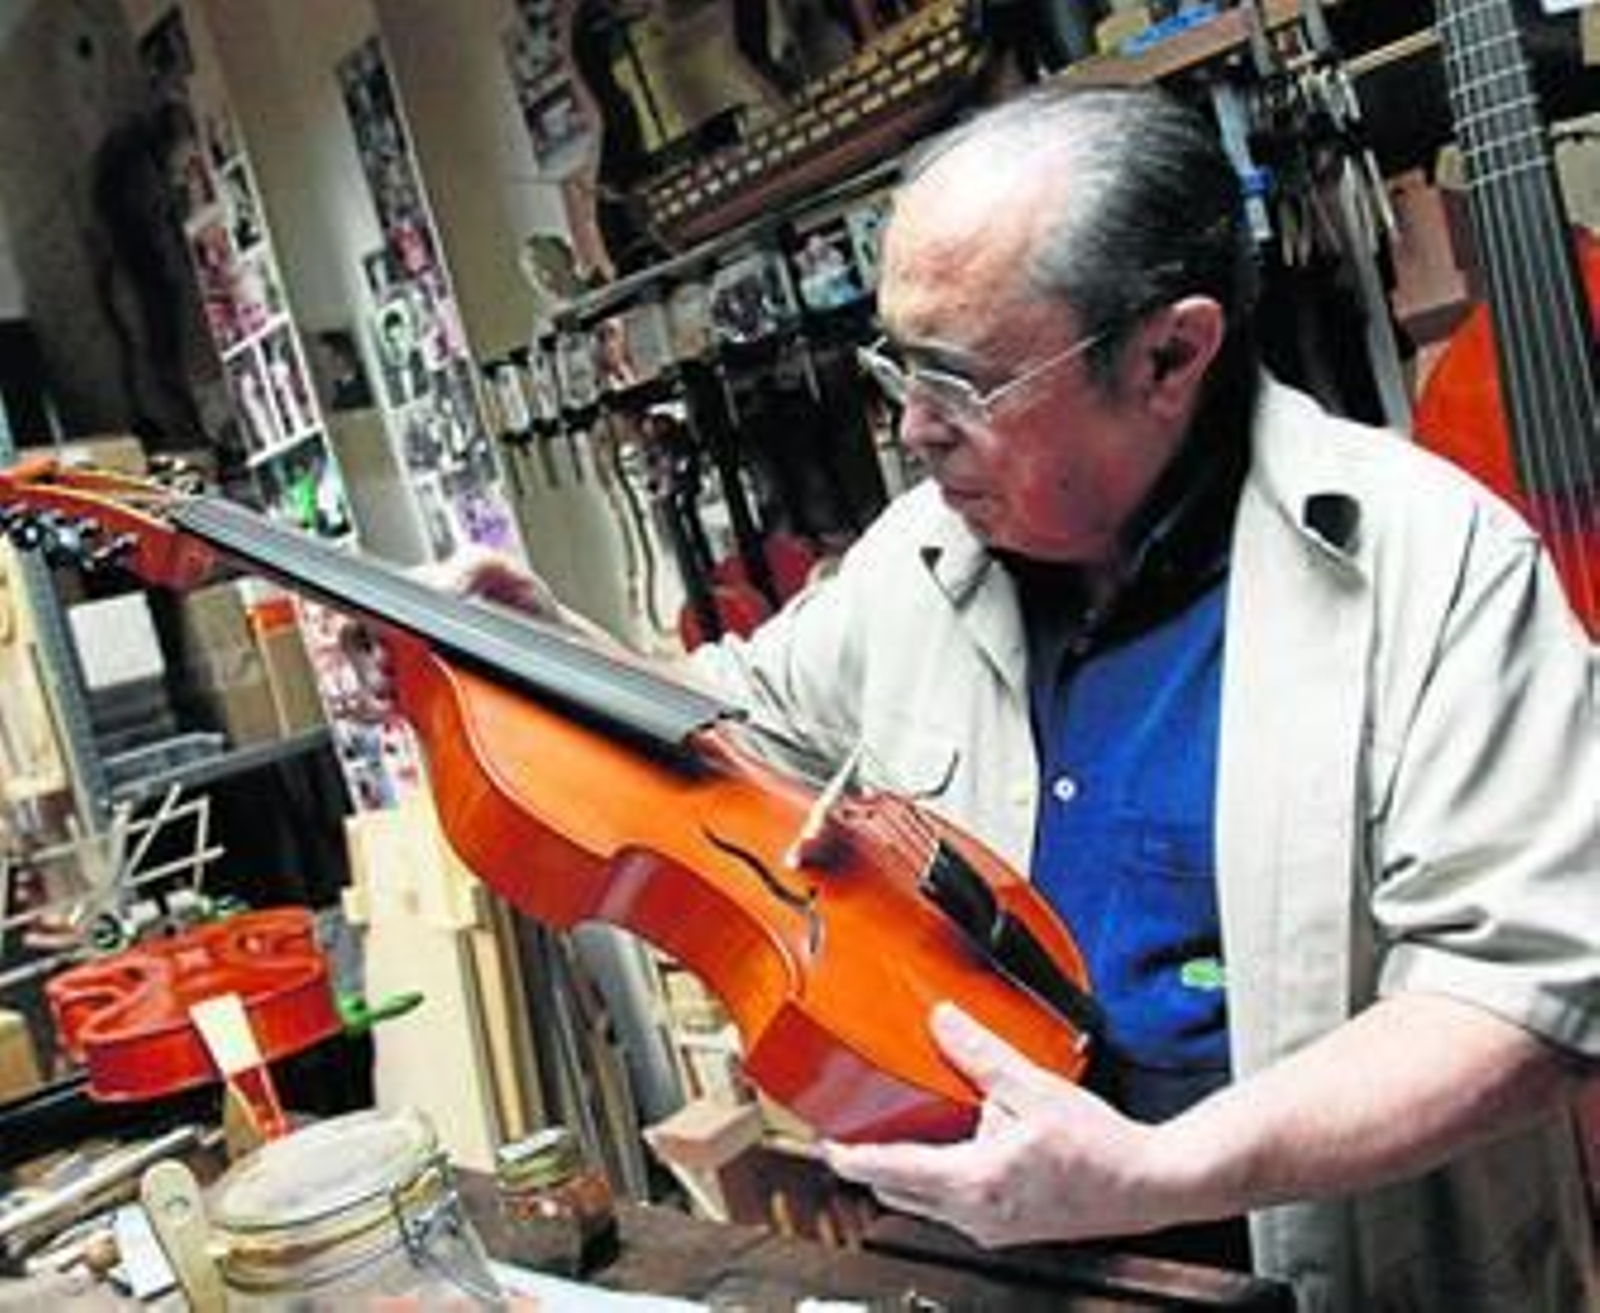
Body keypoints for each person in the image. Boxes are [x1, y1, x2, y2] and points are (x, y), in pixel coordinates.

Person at [389, 86, 1599, 1308]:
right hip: (1028, 1272)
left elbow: (1521, 996)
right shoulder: (923, 555)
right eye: (895, 367)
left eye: (961, 382)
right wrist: (560, 648)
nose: (913, 429)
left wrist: (1153, 1171)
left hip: (1354, 1278)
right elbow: (737, 720)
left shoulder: (1429, 563)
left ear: (1168, 355)